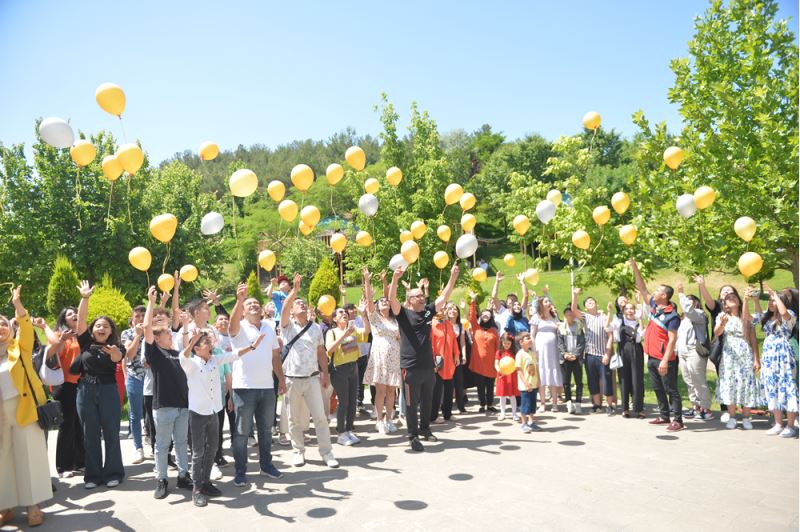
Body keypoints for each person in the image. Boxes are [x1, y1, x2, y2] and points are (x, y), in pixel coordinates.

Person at [180, 328, 260, 506]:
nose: (210, 345)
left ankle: (206, 482)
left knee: (212, 449)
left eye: (209, 342)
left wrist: (252, 347)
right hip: (197, 413)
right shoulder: (191, 363)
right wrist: (192, 341)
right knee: (198, 452)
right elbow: (182, 357)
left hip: (214, 411)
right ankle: (197, 489)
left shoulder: (215, 360)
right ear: (197, 349)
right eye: (205, 343)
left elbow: (235, 355)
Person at [388, 263, 459, 452]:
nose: (422, 297)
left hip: (428, 366)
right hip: (409, 367)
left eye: (422, 295)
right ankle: (413, 437)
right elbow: (392, 298)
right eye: (418, 295)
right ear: (410, 300)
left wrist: (452, 277)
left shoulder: (428, 312)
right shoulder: (403, 314)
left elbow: (444, 297)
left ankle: (425, 429)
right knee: (411, 404)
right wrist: (395, 279)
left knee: (427, 400)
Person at [0, 286, 51, 527]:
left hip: (24, 409)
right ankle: (5, 506)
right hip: (1, 415)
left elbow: (27, 327)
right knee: (3, 460)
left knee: (29, 456)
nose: (0, 328)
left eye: (2, 323)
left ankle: (33, 505)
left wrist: (18, 305)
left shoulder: (19, 347)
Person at [69, 280, 125, 489]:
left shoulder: (116, 346)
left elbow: (118, 357)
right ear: (93, 330)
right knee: (89, 433)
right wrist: (85, 298)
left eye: (106, 326)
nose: (102, 328)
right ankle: (92, 475)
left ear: (111, 331)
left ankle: (113, 472)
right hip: (85, 390)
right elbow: (81, 319)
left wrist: (114, 353)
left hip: (108, 390)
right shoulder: (85, 342)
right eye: (98, 325)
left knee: (111, 432)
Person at [228, 282, 285, 485]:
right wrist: (239, 300)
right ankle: (241, 471)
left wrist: (281, 379)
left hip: (267, 387)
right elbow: (231, 326)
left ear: (261, 310)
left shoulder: (269, 327)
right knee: (242, 432)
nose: (253, 305)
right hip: (244, 388)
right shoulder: (239, 327)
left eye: (256, 303)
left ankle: (266, 465)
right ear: (243, 311)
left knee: (266, 430)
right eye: (249, 304)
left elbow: (275, 356)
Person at [280, 273, 339, 468]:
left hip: (313, 379)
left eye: (303, 303)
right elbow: (285, 309)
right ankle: (298, 451)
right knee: (294, 420)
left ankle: (326, 452)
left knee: (321, 418)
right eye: (298, 304)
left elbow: (321, 352)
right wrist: (294, 291)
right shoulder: (287, 326)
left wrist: (326, 375)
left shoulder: (315, 328)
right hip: (292, 380)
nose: (302, 305)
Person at [142, 286, 193, 499]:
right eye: (166, 334)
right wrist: (152, 302)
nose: (170, 336)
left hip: (182, 405)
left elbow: (189, 347)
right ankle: (161, 479)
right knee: (162, 445)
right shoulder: (154, 352)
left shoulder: (176, 352)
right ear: (157, 337)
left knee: (181, 443)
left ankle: (183, 475)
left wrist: (186, 324)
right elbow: (146, 327)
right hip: (163, 406)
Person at [631, 258, 683, 432]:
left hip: (665, 359)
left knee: (671, 389)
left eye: (658, 291)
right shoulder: (654, 308)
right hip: (652, 356)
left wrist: (665, 360)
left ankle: (678, 420)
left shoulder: (672, 316)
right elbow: (642, 288)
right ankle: (664, 415)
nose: (654, 292)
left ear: (665, 296)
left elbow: (672, 339)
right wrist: (634, 267)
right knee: (657, 387)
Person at [747, 287, 798, 437]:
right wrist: (752, 300)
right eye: (769, 301)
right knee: (772, 387)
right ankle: (778, 423)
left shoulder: (791, 315)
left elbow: (784, 313)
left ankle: (790, 425)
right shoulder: (768, 318)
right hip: (769, 356)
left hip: (783, 356)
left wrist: (775, 294)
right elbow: (752, 317)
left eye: (774, 301)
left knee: (786, 387)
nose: (770, 303)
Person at [694, 275, 740, 421]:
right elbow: (708, 300)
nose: (727, 292)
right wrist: (702, 285)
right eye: (724, 291)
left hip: (739, 349)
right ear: (720, 296)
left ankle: (741, 409)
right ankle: (726, 409)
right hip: (722, 348)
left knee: (740, 378)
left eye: (730, 290)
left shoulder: (739, 309)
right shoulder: (717, 308)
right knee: (725, 379)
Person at [362, 269, 402, 434]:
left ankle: (389, 419)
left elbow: (391, 296)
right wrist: (367, 280)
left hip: (395, 357)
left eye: (386, 301)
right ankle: (379, 420)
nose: (385, 301)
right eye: (382, 301)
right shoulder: (374, 318)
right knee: (380, 391)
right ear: (377, 306)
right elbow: (369, 301)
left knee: (392, 390)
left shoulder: (394, 319)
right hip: (379, 357)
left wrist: (388, 282)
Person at [326, 300, 370, 446]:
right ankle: (341, 432)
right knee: (343, 401)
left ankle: (349, 430)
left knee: (352, 401)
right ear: (334, 319)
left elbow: (366, 332)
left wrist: (364, 315)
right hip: (339, 369)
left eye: (345, 313)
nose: (344, 314)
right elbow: (330, 349)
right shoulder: (332, 332)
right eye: (340, 313)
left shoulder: (352, 330)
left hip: (353, 367)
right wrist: (344, 336)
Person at [713, 292, 759, 430]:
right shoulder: (722, 316)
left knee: (747, 383)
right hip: (729, 355)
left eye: (734, 298)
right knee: (729, 383)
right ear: (725, 303)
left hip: (745, 353)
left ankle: (745, 417)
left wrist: (756, 358)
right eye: (728, 299)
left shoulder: (746, 317)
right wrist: (721, 324)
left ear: (739, 301)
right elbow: (717, 332)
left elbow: (753, 339)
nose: (731, 300)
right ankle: (732, 417)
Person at [50, 306, 85, 479]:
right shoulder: (58, 335)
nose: (75, 315)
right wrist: (63, 340)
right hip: (64, 385)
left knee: (79, 425)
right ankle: (63, 466)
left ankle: (80, 462)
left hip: (81, 384)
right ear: (63, 319)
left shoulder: (81, 335)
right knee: (67, 425)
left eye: (75, 313)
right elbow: (54, 355)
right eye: (70, 314)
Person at [571, 288, 614, 414]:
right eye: (587, 302)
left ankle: (610, 405)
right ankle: (597, 405)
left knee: (606, 380)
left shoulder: (604, 316)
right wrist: (575, 295)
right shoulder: (586, 317)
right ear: (585, 307)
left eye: (592, 301)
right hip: (590, 354)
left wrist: (607, 354)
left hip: (603, 354)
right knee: (592, 380)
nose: (590, 302)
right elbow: (574, 310)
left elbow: (610, 335)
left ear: (596, 304)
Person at [676, 284, 712, 421]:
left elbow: (690, 311)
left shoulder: (699, 315)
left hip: (694, 350)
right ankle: (695, 406)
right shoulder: (683, 319)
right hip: (683, 351)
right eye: (686, 299)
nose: (687, 302)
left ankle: (706, 408)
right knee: (688, 380)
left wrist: (681, 294)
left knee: (698, 379)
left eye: (691, 300)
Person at [610, 302, 646, 418]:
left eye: (632, 308)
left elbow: (639, 338)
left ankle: (638, 408)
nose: (629, 310)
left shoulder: (637, 323)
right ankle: (624, 408)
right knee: (624, 379)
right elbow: (613, 333)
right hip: (623, 351)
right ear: (624, 311)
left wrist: (640, 319)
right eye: (627, 309)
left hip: (636, 351)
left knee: (637, 380)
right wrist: (610, 312)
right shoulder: (620, 322)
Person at [121, 305, 146, 464]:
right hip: (135, 377)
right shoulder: (127, 333)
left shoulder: (153, 332)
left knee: (155, 415)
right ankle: (138, 448)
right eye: (137, 316)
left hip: (153, 378)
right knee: (135, 415)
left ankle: (157, 445)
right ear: (132, 318)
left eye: (144, 315)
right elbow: (129, 355)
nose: (141, 319)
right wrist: (138, 335)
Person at [431, 302, 465, 422]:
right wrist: (432, 361)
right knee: (436, 390)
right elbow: (431, 345)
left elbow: (454, 342)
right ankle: (433, 415)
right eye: (442, 308)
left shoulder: (448, 324)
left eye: (445, 308)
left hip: (449, 362)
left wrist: (457, 355)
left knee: (449, 389)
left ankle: (448, 414)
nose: (444, 310)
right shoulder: (432, 324)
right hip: (438, 362)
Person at [468, 292, 498, 414]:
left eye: (488, 315)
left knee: (490, 385)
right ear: (481, 317)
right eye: (484, 315)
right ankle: (482, 404)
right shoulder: (476, 328)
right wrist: (473, 301)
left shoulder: (494, 331)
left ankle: (490, 404)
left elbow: (497, 347)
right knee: (480, 385)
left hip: (491, 362)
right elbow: (471, 317)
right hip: (479, 363)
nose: (486, 316)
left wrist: (498, 360)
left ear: (490, 317)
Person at [531, 296, 563, 413]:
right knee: (542, 375)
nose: (548, 303)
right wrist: (534, 350)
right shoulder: (536, 317)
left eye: (549, 301)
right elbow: (532, 335)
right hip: (540, 349)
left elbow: (561, 330)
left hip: (553, 349)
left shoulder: (554, 317)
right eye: (546, 301)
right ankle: (543, 403)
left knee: (553, 373)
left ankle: (554, 403)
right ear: (541, 304)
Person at [557, 306, 585, 415]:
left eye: (571, 314)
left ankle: (578, 403)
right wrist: (565, 354)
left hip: (576, 358)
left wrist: (576, 354)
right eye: (567, 314)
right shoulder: (561, 328)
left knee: (579, 382)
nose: (569, 316)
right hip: (565, 359)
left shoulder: (578, 327)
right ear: (564, 316)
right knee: (566, 382)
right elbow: (560, 343)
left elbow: (581, 342)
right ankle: (569, 403)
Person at [515, 332, 541, 433]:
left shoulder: (532, 354)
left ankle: (531, 422)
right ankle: (523, 424)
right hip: (525, 385)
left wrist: (539, 380)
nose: (530, 340)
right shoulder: (520, 354)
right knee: (525, 405)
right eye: (527, 338)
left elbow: (536, 367)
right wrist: (526, 383)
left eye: (530, 338)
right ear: (521, 342)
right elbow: (519, 370)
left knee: (532, 405)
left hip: (533, 383)